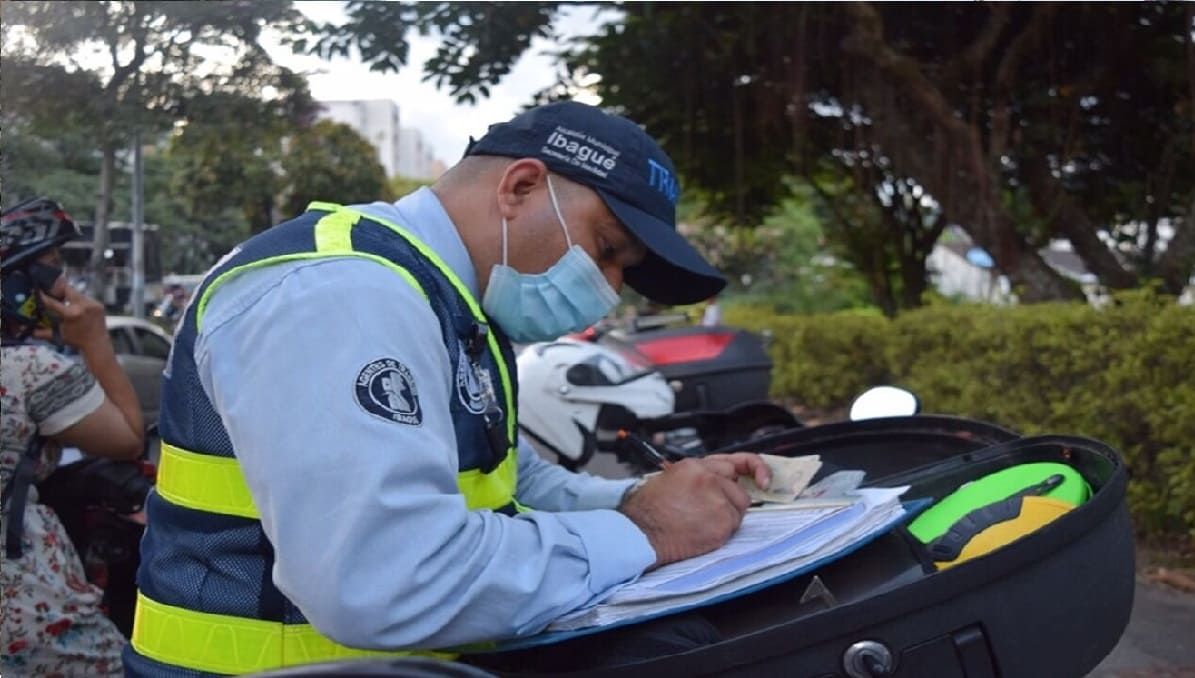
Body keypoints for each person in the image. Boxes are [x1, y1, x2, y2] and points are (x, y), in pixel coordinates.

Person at [125, 102, 772, 677]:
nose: (609, 286)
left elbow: (510, 484)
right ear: (520, 186)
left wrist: (660, 497)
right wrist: (645, 530)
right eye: (606, 250)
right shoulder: (344, 293)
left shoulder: (447, 302)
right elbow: (384, 579)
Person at [1, 198, 145, 677]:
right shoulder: (30, 371)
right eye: (50, 270)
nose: (63, 283)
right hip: (25, 610)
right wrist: (94, 340)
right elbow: (127, 438)